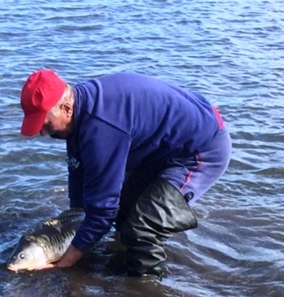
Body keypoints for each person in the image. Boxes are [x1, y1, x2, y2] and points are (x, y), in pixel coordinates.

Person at [19, 69, 232, 277]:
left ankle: (145, 293)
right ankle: (125, 261)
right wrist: (74, 218)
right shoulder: (79, 108)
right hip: (164, 144)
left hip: (202, 148)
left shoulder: (101, 129)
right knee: (124, 211)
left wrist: (64, 265)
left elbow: (103, 213)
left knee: (142, 227)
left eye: (45, 123)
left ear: (66, 108)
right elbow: (78, 168)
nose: (42, 132)